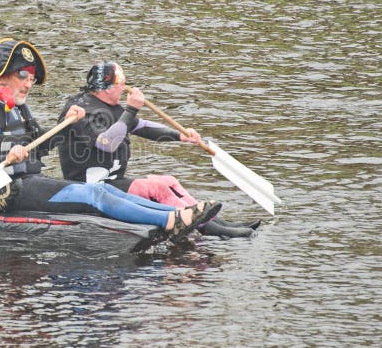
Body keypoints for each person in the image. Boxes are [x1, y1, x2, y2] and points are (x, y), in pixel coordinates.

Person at [0, 38, 221, 242]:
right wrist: (10, 156)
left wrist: (67, 126)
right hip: (6, 192)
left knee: (106, 189)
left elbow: (41, 147)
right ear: (2, 75)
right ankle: (171, 221)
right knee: (95, 193)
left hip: (29, 181)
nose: (29, 84)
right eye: (23, 76)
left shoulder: (20, 108)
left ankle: (177, 216)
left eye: (31, 78)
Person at [57, 61, 260, 239]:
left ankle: (217, 224)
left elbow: (142, 126)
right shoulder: (81, 109)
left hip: (112, 181)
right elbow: (106, 144)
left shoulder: (112, 105)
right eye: (122, 84)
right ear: (107, 88)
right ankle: (207, 228)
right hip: (91, 187)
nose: (126, 88)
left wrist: (180, 135)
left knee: (169, 181)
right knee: (156, 187)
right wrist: (131, 109)